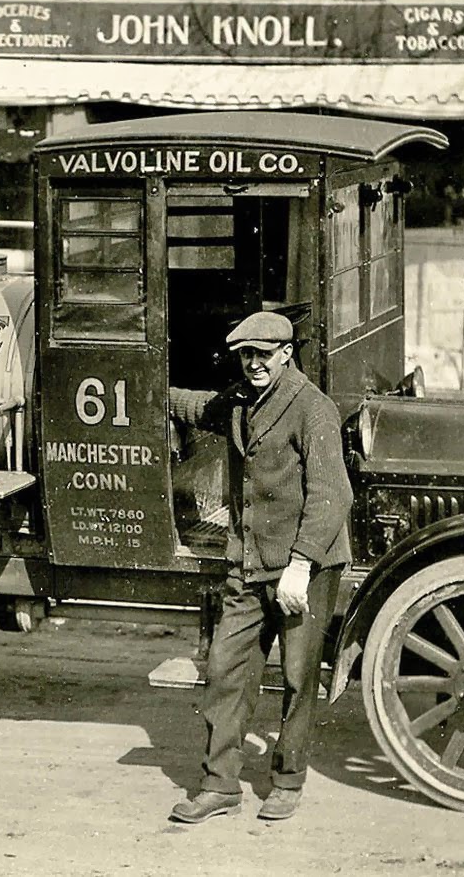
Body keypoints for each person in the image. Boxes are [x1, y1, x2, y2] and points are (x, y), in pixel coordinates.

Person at [165, 310, 353, 824]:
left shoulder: (314, 409)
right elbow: (200, 407)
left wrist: (300, 566)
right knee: (227, 670)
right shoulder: (240, 401)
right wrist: (152, 393)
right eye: (245, 354)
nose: (252, 364)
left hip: (303, 568)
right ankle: (219, 785)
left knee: (297, 676)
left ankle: (288, 780)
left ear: (286, 354)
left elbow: (331, 496)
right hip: (248, 564)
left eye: (262, 355)